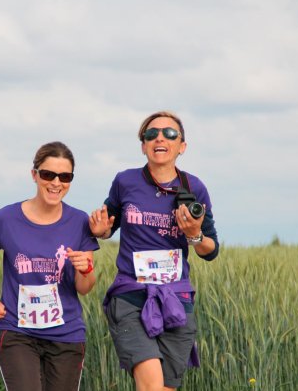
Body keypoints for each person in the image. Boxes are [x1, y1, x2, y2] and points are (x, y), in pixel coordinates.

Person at [89, 111, 220, 391]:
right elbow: (107, 226)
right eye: (151, 134)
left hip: (176, 299)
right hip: (131, 296)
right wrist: (100, 229)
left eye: (169, 134)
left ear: (182, 146)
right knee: (150, 385)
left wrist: (194, 235)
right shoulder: (125, 182)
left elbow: (210, 249)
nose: (160, 138)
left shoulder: (194, 188)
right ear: (143, 145)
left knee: (164, 389)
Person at [0, 141, 99, 391]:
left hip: (66, 335)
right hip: (16, 331)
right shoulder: (6, 218)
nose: (56, 183)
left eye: (64, 176)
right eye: (47, 174)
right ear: (34, 175)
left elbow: (85, 288)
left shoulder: (79, 221)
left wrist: (85, 269)